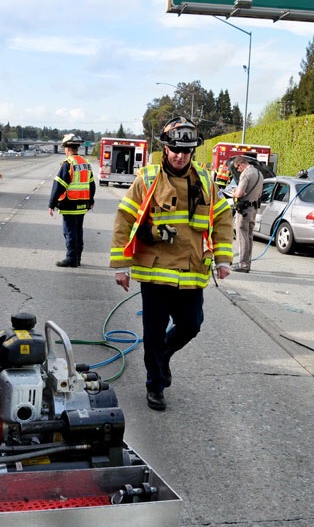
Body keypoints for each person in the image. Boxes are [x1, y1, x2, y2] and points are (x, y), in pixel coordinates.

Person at [109, 117, 234, 411]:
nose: (180, 156)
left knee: (191, 325)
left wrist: (223, 259)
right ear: (165, 149)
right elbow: (125, 219)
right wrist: (120, 265)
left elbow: (223, 219)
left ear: (193, 152)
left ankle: (163, 356)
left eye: (186, 151)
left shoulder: (205, 181)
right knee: (153, 333)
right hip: (154, 272)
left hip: (191, 271)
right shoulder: (148, 179)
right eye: (175, 149)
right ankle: (155, 386)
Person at [49, 134, 96, 267]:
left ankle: (71, 258)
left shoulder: (68, 164)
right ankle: (77, 258)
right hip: (82, 204)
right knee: (78, 231)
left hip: (69, 203)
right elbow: (92, 184)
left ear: (67, 148)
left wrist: (51, 204)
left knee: (69, 232)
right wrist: (91, 200)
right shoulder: (85, 163)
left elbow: (59, 185)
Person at [230, 156, 263, 273]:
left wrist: (234, 192)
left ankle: (243, 264)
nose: (238, 170)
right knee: (249, 236)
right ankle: (247, 263)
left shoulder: (246, 174)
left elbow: (239, 194)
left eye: (237, 167)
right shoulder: (259, 174)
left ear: (242, 164)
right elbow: (259, 195)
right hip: (253, 209)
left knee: (242, 235)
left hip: (243, 210)